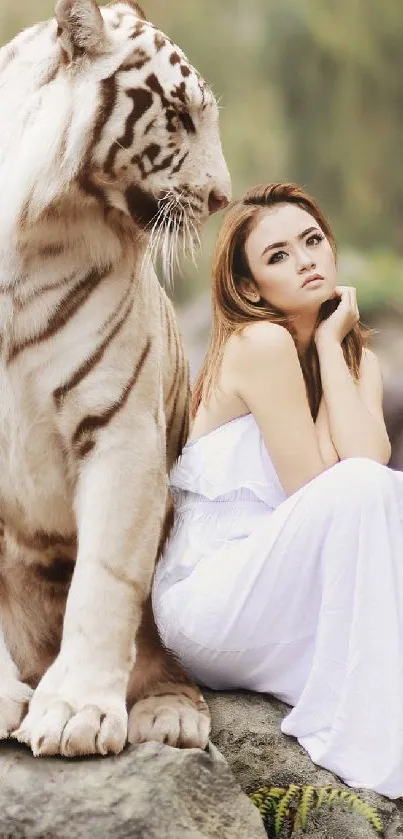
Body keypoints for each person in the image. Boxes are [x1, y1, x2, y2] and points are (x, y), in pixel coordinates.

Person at [152, 182, 403, 798]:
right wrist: (320, 343)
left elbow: (367, 461)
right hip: (211, 599)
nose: (307, 260)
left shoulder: (357, 362)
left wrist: (328, 348)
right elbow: (320, 488)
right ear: (248, 287)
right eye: (278, 256)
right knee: (369, 489)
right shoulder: (258, 344)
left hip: (283, 591)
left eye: (312, 241)